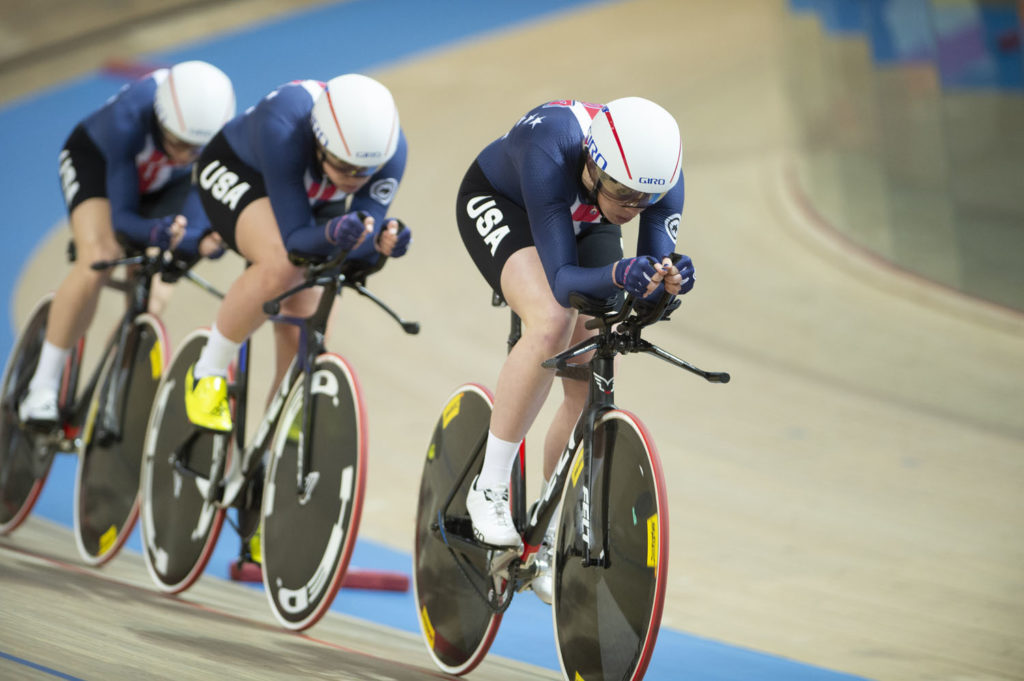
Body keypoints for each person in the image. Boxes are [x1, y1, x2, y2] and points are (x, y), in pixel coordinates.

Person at [456, 97, 695, 604]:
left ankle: (545, 529)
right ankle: (489, 485)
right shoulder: (551, 148)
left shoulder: (655, 178)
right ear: (593, 163)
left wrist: (666, 286)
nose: (634, 209)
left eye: (646, 200)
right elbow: (564, 281)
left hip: (584, 215)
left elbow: (644, 286)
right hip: (507, 203)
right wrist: (619, 273)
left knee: (593, 350)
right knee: (551, 321)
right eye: (625, 194)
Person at [184, 73, 411, 433]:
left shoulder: (392, 151)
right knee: (281, 264)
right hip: (243, 171)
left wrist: (384, 242)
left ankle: (276, 434)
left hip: (310, 192)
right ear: (319, 142)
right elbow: (294, 242)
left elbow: (360, 242)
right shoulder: (283, 125)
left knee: (309, 313)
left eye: (365, 172)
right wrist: (333, 233)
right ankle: (206, 372)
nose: (353, 179)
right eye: (343, 165)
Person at [18, 60, 236, 425]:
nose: (186, 156)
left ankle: (111, 383)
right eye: (180, 144)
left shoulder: (215, 133)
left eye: (196, 149)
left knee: (155, 293)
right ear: (161, 120)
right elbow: (122, 219)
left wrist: (199, 240)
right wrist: (156, 233)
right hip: (99, 165)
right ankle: (41, 386)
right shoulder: (129, 116)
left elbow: (199, 204)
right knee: (99, 257)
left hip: (164, 181)